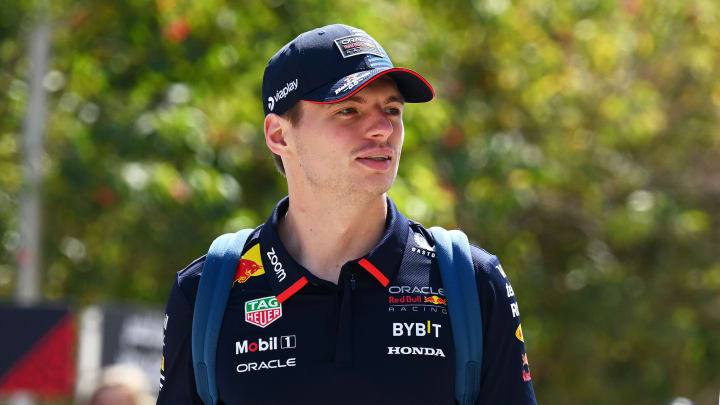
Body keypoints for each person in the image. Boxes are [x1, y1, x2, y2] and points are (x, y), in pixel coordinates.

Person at [158, 24, 537, 404]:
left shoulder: (471, 280)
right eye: (348, 110)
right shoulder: (207, 289)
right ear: (279, 135)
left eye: (391, 109)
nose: (382, 128)